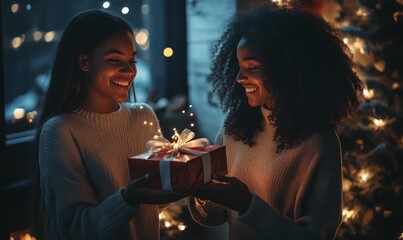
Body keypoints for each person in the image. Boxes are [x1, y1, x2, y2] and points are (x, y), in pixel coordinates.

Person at [188, 4, 363, 240]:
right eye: (239, 67)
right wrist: (201, 188)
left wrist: (248, 205)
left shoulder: (319, 144)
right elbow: (215, 215)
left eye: (252, 68)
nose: (239, 78)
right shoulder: (236, 124)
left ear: (287, 69)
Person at [32, 9, 181, 240]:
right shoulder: (61, 131)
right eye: (114, 60)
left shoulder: (144, 115)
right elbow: (75, 230)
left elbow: (151, 206)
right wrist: (128, 199)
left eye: (132, 60)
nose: (129, 71)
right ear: (84, 61)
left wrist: (182, 179)